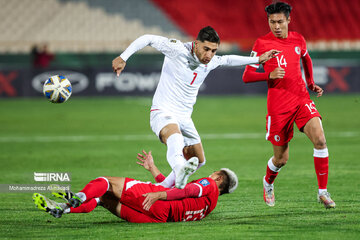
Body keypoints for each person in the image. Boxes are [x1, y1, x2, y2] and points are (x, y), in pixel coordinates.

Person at [112, 26, 279, 189]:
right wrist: (123, 57)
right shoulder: (176, 49)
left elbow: (227, 59)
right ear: (196, 43)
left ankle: (164, 185)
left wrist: (257, 59)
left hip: (184, 117)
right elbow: (147, 38)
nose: (209, 55)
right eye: (206, 49)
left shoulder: (211, 60)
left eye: (213, 51)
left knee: (199, 160)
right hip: (164, 110)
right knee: (175, 138)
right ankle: (179, 171)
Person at [242, 2, 335, 209]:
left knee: (320, 139)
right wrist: (269, 74)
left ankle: (323, 192)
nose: (276, 26)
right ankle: (268, 183)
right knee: (281, 158)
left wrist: (310, 83)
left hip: (301, 99)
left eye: (279, 21)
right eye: (272, 22)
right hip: (278, 107)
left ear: (288, 20)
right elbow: (247, 75)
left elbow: (306, 59)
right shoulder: (261, 43)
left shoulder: (298, 39)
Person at [32, 150, 238, 223]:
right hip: (156, 219)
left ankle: (76, 197)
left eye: (214, 173)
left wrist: (159, 195)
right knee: (102, 199)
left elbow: (186, 190)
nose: (210, 175)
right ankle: (61, 209)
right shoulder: (210, 206)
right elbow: (176, 190)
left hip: (155, 201)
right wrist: (153, 169)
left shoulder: (209, 184)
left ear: (219, 179)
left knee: (105, 182)